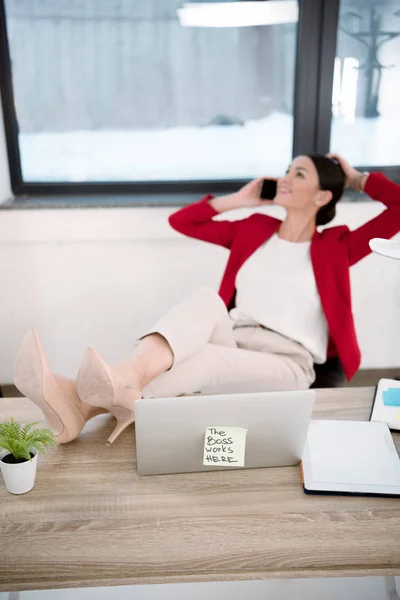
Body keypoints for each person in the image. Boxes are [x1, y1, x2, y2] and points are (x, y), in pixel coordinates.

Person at [13, 154, 400, 446]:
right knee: (206, 299)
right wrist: (241, 200)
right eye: (286, 169)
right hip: (235, 336)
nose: (285, 177)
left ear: (323, 195)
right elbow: (182, 222)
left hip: (288, 363)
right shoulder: (255, 228)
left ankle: (81, 404)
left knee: (205, 360)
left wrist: (357, 178)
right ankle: (123, 380)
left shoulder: (339, 245)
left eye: (298, 174)